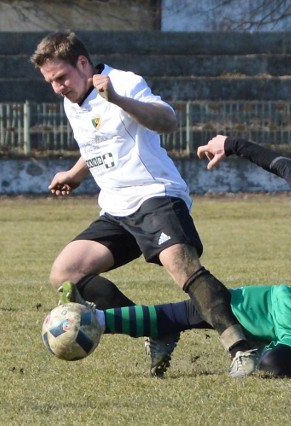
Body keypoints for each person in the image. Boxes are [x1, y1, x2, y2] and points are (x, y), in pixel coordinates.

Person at [62, 134, 291, 380]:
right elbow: (286, 168)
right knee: (202, 309)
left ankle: (264, 348)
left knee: (272, 368)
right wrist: (233, 145)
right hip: (287, 303)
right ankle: (92, 321)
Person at [30, 31, 256, 378]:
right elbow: (100, 141)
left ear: (83, 63)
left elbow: (168, 121)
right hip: (116, 210)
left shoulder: (124, 82)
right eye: (50, 82)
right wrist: (76, 173)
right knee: (65, 274)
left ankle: (243, 348)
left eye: (61, 78)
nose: (58, 87)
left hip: (155, 195)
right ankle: (157, 328)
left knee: (182, 268)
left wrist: (118, 99)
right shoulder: (71, 102)